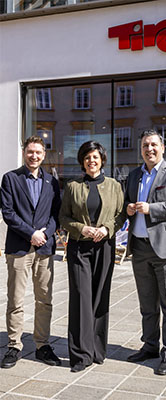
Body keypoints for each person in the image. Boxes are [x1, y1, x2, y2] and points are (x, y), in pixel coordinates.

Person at [123, 131, 166, 375]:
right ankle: (150, 345)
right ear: (140, 149)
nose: (149, 149)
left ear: (162, 147)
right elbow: (124, 205)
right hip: (140, 247)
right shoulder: (133, 175)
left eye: (153, 144)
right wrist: (128, 209)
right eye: (144, 145)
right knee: (147, 302)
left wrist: (152, 208)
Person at [59, 141, 125, 372]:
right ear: (82, 161)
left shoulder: (115, 186)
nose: (91, 161)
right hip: (79, 248)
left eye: (95, 157)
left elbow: (121, 214)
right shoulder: (72, 186)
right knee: (81, 298)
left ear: (102, 159)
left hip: (104, 247)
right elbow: (63, 217)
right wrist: (81, 228)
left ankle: (97, 350)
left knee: (100, 297)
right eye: (87, 157)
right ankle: (80, 355)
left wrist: (107, 228)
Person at [0, 136, 62, 368]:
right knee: (16, 299)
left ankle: (42, 345)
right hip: (19, 249)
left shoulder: (51, 182)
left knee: (44, 299)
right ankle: (14, 346)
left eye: (38, 152)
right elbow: (8, 213)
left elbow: (56, 214)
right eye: (30, 152)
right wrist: (31, 234)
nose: (34, 156)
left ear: (44, 155)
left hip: (44, 249)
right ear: (24, 153)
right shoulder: (10, 178)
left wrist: (45, 234)